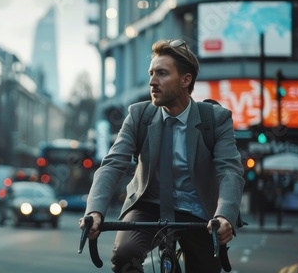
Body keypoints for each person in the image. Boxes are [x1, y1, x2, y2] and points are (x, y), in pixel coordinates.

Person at [79, 39, 245, 272]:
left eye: (162, 74)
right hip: (148, 206)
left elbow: (230, 171)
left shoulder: (216, 119)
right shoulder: (139, 115)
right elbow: (112, 164)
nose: (152, 82)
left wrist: (225, 216)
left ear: (186, 80)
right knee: (125, 256)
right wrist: (94, 211)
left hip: (200, 212)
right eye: (151, 73)